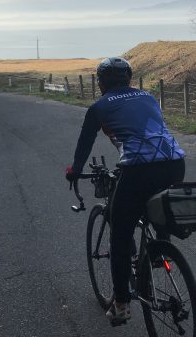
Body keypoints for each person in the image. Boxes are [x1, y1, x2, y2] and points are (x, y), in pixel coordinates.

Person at [65, 57, 186, 326]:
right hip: (176, 164)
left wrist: (74, 171)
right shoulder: (149, 97)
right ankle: (160, 251)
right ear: (129, 79)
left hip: (139, 170)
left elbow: (85, 145)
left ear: (101, 83)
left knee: (120, 234)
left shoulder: (98, 107)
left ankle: (120, 304)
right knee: (156, 206)